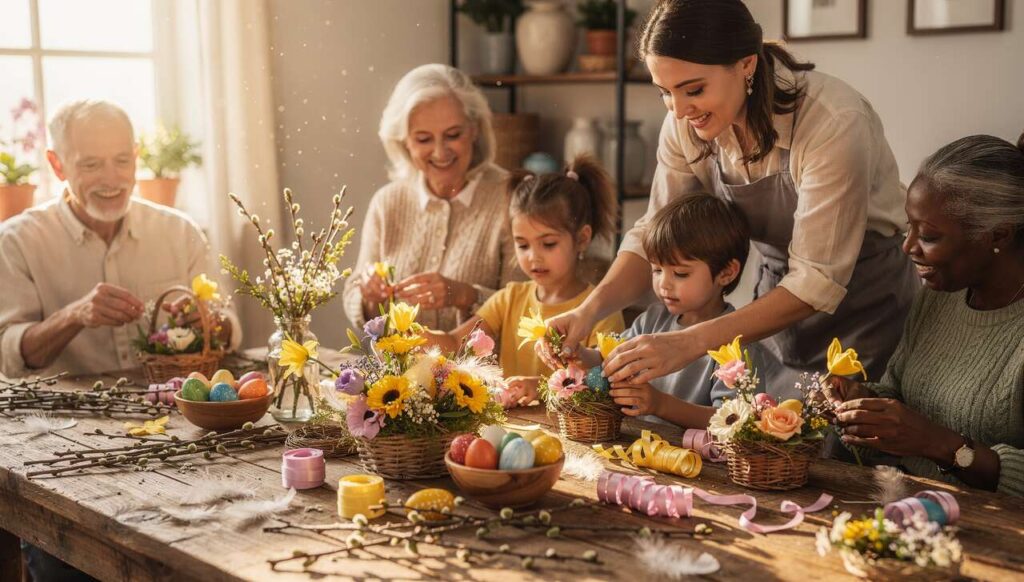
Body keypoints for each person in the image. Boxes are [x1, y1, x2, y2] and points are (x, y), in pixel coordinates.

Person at [543, 0, 917, 391]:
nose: (679, 109)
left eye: (694, 89)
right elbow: (653, 234)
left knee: (847, 443)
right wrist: (588, 312)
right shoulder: (685, 123)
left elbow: (816, 279)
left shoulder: (833, 121)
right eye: (664, 93)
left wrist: (692, 341)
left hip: (866, 306)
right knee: (767, 435)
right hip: (775, 299)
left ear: (746, 64)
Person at [828, 134, 1024, 497]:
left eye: (930, 236)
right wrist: (863, 404)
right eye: (910, 226)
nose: (907, 246)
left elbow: (925, 436)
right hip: (904, 508)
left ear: (998, 234)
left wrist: (940, 444)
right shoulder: (940, 298)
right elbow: (898, 394)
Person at [0, 99, 240, 379]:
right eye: (91, 165)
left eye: (122, 161)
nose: (112, 180)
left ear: (136, 157)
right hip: (67, 418)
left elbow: (230, 328)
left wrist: (212, 323)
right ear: (57, 165)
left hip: (175, 409)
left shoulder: (180, 232)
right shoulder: (16, 242)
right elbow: (8, 357)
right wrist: (73, 316)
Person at [425, 156, 625, 406]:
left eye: (548, 244)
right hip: (513, 430)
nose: (533, 257)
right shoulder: (510, 299)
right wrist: (413, 336)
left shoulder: (600, 308)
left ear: (582, 239)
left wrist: (541, 388)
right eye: (522, 244)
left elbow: (603, 381)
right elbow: (456, 342)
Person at [342, 64, 523, 332]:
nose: (440, 152)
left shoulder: (513, 198)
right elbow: (355, 301)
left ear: (474, 129)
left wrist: (465, 296)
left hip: (485, 373)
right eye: (424, 139)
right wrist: (370, 298)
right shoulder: (387, 203)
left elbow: (527, 307)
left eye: (453, 135)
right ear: (404, 142)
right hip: (400, 372)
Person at [571, 193, 778, 427]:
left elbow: (734, 421)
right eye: (657, 270)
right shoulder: (651, 320)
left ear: (727, 272)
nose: (664, 284)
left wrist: (660, 405)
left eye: (680, 273)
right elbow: (607, 360)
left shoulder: (736, 344)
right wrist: (576, 353)